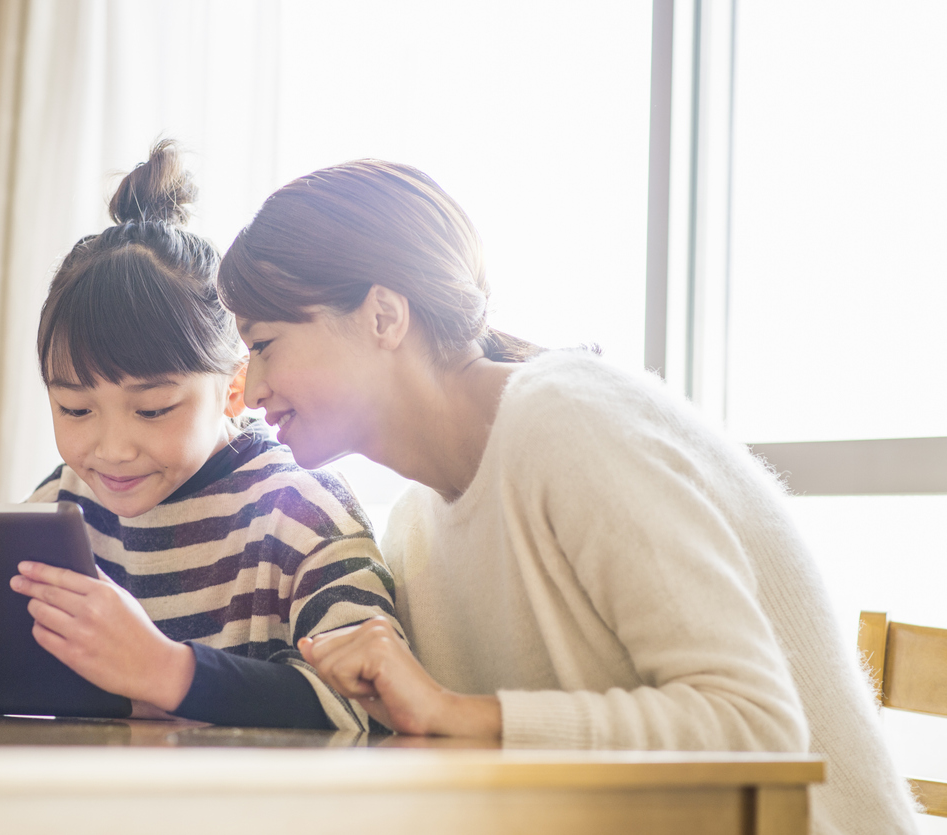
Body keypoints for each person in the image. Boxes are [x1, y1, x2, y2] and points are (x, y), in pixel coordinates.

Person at [215, 159, 917, 833]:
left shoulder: (569, 420)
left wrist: (465, 713)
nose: (248, 385)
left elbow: (755, 729)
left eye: (266, 342)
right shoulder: (415, 529)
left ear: (383, 317)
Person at [9, 141, 398, 732]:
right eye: (75, 408)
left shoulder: (299, 517)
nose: (111, 449)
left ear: (233, 388)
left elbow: (375, 705)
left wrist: (168, 672)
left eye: (153, 409)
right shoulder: (58, 513)